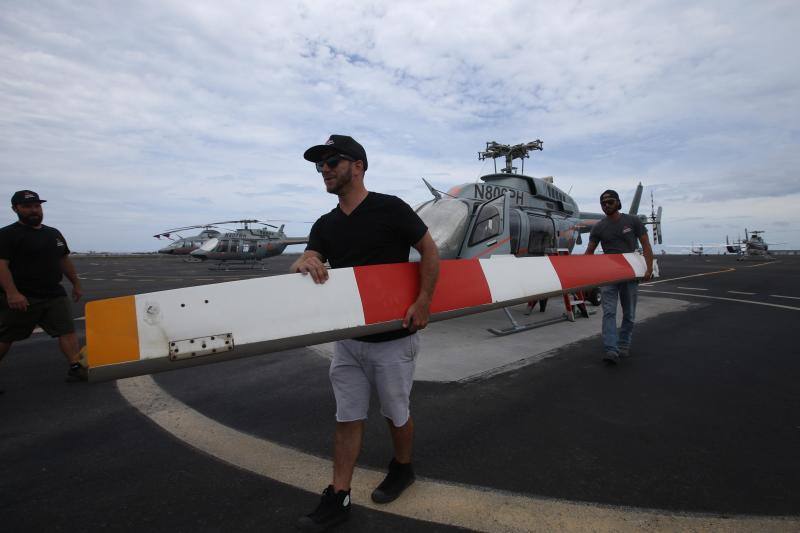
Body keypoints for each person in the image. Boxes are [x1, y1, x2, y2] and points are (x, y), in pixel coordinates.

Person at [291, 135, 439, 531]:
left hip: (394, 340)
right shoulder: (325, 224)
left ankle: (403, 468)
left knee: (395, 412)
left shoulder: (391, 209)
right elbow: (311, 258)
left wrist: (423, 301)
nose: (324, 169)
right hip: (348, 342)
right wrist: (305, 260)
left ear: (357, 166)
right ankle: (339, 494)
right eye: (319, 164)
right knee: (347, 417)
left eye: (331, 162)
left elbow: (430, 250)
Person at [0, 190, 83, 391]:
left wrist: (76, 283)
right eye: (27, 206)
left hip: (53, 293)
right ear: (15, 209)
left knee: (67, 331)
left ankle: (76, 367)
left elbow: (63, 259)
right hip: (24, 296)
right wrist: (12, 293)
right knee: (6, 337)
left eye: (37, 206)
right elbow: (1, 265)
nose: (34, 210)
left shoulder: (53, 233)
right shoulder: (7, 234)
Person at [584, 189, 653, 364]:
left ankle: (623, 344)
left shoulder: (633, 221)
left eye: (610, 202)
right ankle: (611, 349)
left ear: (618, 203)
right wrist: (582, 275)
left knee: (629, 313)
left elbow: (645, 244)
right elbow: (589, 252)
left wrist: (649, 268)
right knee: (609, 312)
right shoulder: (598, 227)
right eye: (603, 203)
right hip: (609, 275)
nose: (606, 205)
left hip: (630, 274)